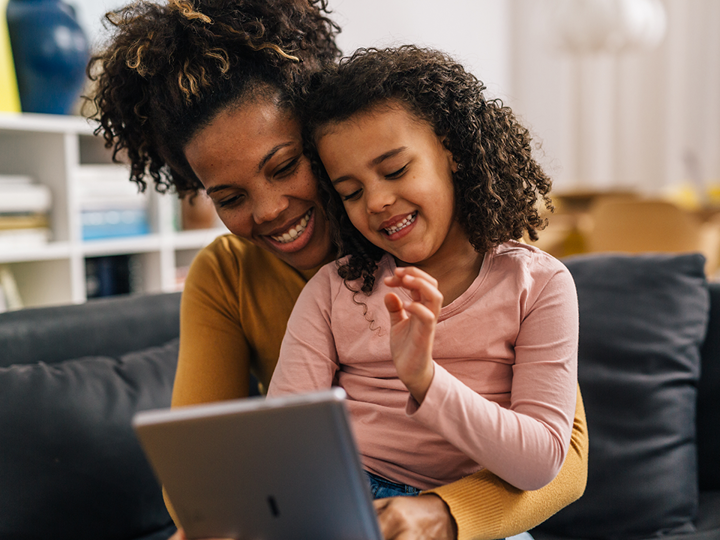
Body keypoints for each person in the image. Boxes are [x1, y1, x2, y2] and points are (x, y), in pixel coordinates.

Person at [88, 1, 588, 539]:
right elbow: (202, 474)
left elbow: (562, 462)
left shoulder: (516, 276)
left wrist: (441, 514)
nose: (269, 210)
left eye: (284, 166)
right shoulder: (244, 278)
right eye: (230, 197)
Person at [268, 45, 578, 500]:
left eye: (395, 170)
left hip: (467, 510)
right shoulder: (334, 290)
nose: (376, 201)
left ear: (452, 150)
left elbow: (540, 463)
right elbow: (284, 437)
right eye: (351, 192)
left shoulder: (538, 285)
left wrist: (426, 380)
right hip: (350, 495)